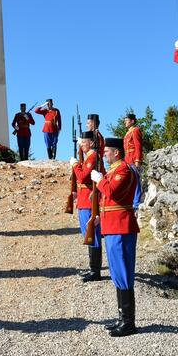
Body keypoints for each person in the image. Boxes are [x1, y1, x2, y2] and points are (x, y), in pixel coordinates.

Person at [92, 137, 140, 337]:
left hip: (121, 226)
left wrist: (99, 179)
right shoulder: (113, 171)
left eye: (107, 152)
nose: (104, 155)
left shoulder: (124, 170)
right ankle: (122, 317)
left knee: (123, 272)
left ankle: (128, 322)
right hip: (112, 226)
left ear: (117, 153)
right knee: (116, 273)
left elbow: (111, 191)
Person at [72, 130, 104, 282]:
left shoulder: (92, 157)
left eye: (84, 142)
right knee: (89, 235)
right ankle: (93, 269)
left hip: (89, 202)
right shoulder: (88, 157)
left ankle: (95, 271)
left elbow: (83, 176)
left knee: (92, 235)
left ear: (91, 143)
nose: (81, 145)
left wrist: (76, 165)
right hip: (84, 201)